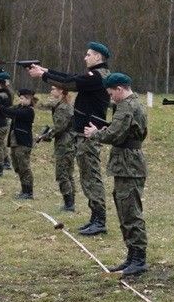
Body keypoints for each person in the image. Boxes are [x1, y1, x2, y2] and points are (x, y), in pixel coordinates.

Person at [27, 42, 111, 235]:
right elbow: (70, 77)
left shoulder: (98, 76)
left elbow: (69, 83)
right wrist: (46, 71)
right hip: (84, 134)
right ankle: (95, 218)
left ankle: (100, 220)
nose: (85, 57)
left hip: (89, 134)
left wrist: (43, 75)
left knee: (91, 177)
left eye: (89, 54)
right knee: (86, 177)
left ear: (98, 57)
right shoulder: (95, 75)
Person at [84, 73, 149, 277]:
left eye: (111, 93)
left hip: (129, 166)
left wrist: (95, 134)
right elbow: (122, 131)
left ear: (119, 89)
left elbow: (115, 134)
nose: (110, 97)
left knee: (130, 212)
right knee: (125, 210)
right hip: (127, 164)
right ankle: (132, 256)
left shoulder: (126, 106)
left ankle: (138, 259)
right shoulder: (133, 104)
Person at [0, 89, 36, 199]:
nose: (20, 100)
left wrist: (0, 107)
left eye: (22, 98)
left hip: (23, 142)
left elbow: (14, 113)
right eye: (20, 98)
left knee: (24, 167)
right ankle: (24, 190)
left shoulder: (29, 111)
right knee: (17, 166)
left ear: (29, 99)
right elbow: (8, 111)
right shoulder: (20, 107)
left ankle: (28, 192)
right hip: (15, 142)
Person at [41, 84, 77, 212]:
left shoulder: (63, 107)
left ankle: (69, 203)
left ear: (61, 91)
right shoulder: (63, 105)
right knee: (68, 173)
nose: (51, 91)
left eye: (53, 89)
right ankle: (70, 202)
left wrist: (45, 136)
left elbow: (59, 127)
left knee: (63, 174)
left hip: (65, 144)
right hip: (68, 142)